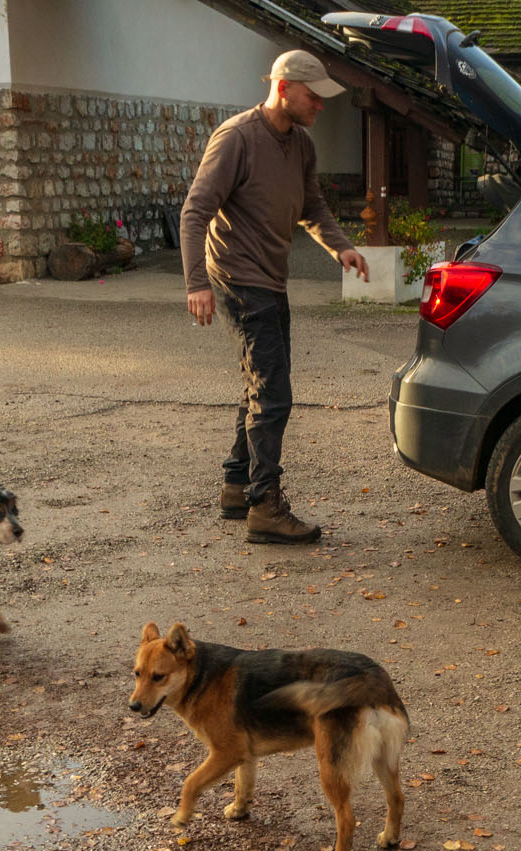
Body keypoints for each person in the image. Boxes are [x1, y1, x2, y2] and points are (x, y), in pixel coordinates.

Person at [181, 49, 370, 545]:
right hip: (240, 279)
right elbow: (195, 212)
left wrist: (342, 248)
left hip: (271, 278)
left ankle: (235, 484)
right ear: (284, 88)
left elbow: (312, 207)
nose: (320, 106)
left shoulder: (302, 146)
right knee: (273, 394)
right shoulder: (237, 138)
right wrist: (196, 283)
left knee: (260, 386)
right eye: (314, 96)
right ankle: (265, 507)